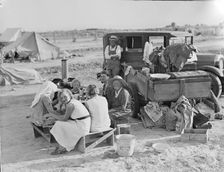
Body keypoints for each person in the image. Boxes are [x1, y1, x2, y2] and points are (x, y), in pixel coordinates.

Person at [49, 89, 91, 155]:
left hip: (82, 127)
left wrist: (52, 115)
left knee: (58, 124)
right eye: (61, 98)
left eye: (65, 96)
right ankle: (63, 145)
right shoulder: (73, 101)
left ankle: (63, 147)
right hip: (81, 123)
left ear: (69, 95)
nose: (63, 99)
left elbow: (64, 118)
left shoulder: (70, 105)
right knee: (59, 123)